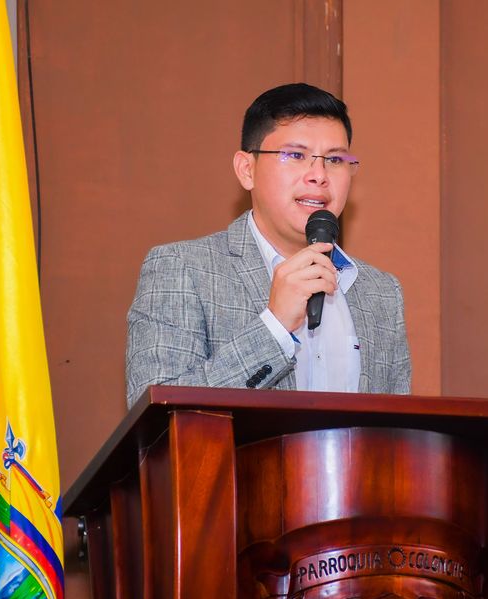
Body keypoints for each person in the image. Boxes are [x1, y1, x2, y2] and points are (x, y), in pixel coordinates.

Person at [125, 83, 410, 408]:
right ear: (247, 170)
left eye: (334, 159)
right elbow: (159, 414)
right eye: (296, 155)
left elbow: (395, 428)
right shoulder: (183, 269)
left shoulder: (382, 294)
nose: (319, 175)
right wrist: (274, 326)